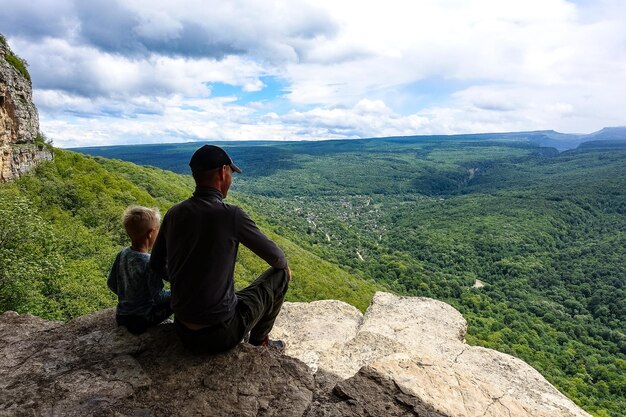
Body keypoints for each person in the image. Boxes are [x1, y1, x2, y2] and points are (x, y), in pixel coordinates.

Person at [150, 144, 290, 354]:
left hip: (183, 330)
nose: (231, 180)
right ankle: (259, 342)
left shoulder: (174, 213)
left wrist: (187, 282)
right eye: (231, 173)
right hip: (221, 334)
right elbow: (278, 259)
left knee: (235, 296)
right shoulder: (231, 215)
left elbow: (156, 264)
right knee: (281, 274)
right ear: (223, 172)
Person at [108, 206, 173, 335]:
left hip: (122, 316)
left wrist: (129, 298)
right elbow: (159, 298)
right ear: (150, 233)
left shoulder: (122, 253)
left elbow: (111, 283)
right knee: (179, 299)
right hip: (143, 319)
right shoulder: (150, 262)